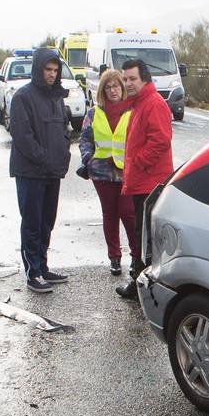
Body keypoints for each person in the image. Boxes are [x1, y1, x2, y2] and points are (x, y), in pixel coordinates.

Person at [9, 47, 71, 294]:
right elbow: (22, 136)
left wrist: (63, 156)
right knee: (32, 222)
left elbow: (64, 130)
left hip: (52, 172)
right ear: (38, 69)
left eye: (55, 70)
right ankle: (32, 272)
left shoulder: (57, 97)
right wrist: (44, 158)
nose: (52, 74)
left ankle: (42, 267)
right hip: (31, 172)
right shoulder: (23, 97)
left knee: (47, 222)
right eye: (48, 69)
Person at [116, 58, 174, 299]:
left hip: (151, 183)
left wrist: (138, 163)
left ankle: (143, 289)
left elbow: (160, 141)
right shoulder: (139, 103)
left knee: (146, 239)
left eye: (133, 79)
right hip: (142, 181)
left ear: (145, 79)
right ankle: (141, 284)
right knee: (143, 236)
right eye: (126, 78)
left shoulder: (153, 104)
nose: (128, 83)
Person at [77, 69, 139, 275]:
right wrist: (88, 158)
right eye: (109, 87)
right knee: (109, 214)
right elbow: (85, 138)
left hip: (127, 172)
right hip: (101, 172)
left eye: (117, 86)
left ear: (123, 88)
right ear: (103, 90)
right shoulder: (94, 113)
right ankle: (114, 257)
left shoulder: (132, 111)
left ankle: (136, 256)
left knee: (128, 214)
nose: (113, 91)